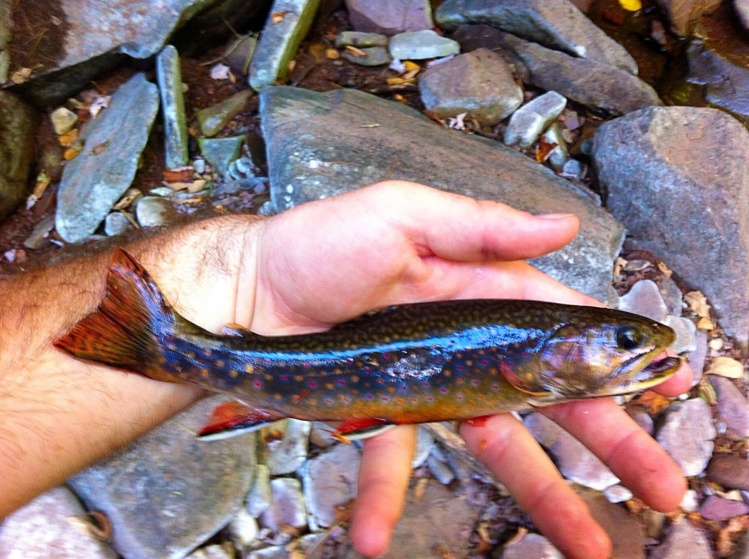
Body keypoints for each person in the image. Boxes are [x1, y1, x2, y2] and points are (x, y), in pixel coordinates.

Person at [0, 181, 691, 559]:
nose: (636, 349)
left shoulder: (523, 351)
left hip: (288, 364)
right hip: (297, 361)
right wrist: (243, 276)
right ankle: (152, 338)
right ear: (552, 349)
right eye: (623, 339)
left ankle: (157, 339)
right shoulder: (516, 358)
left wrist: (237, 277)